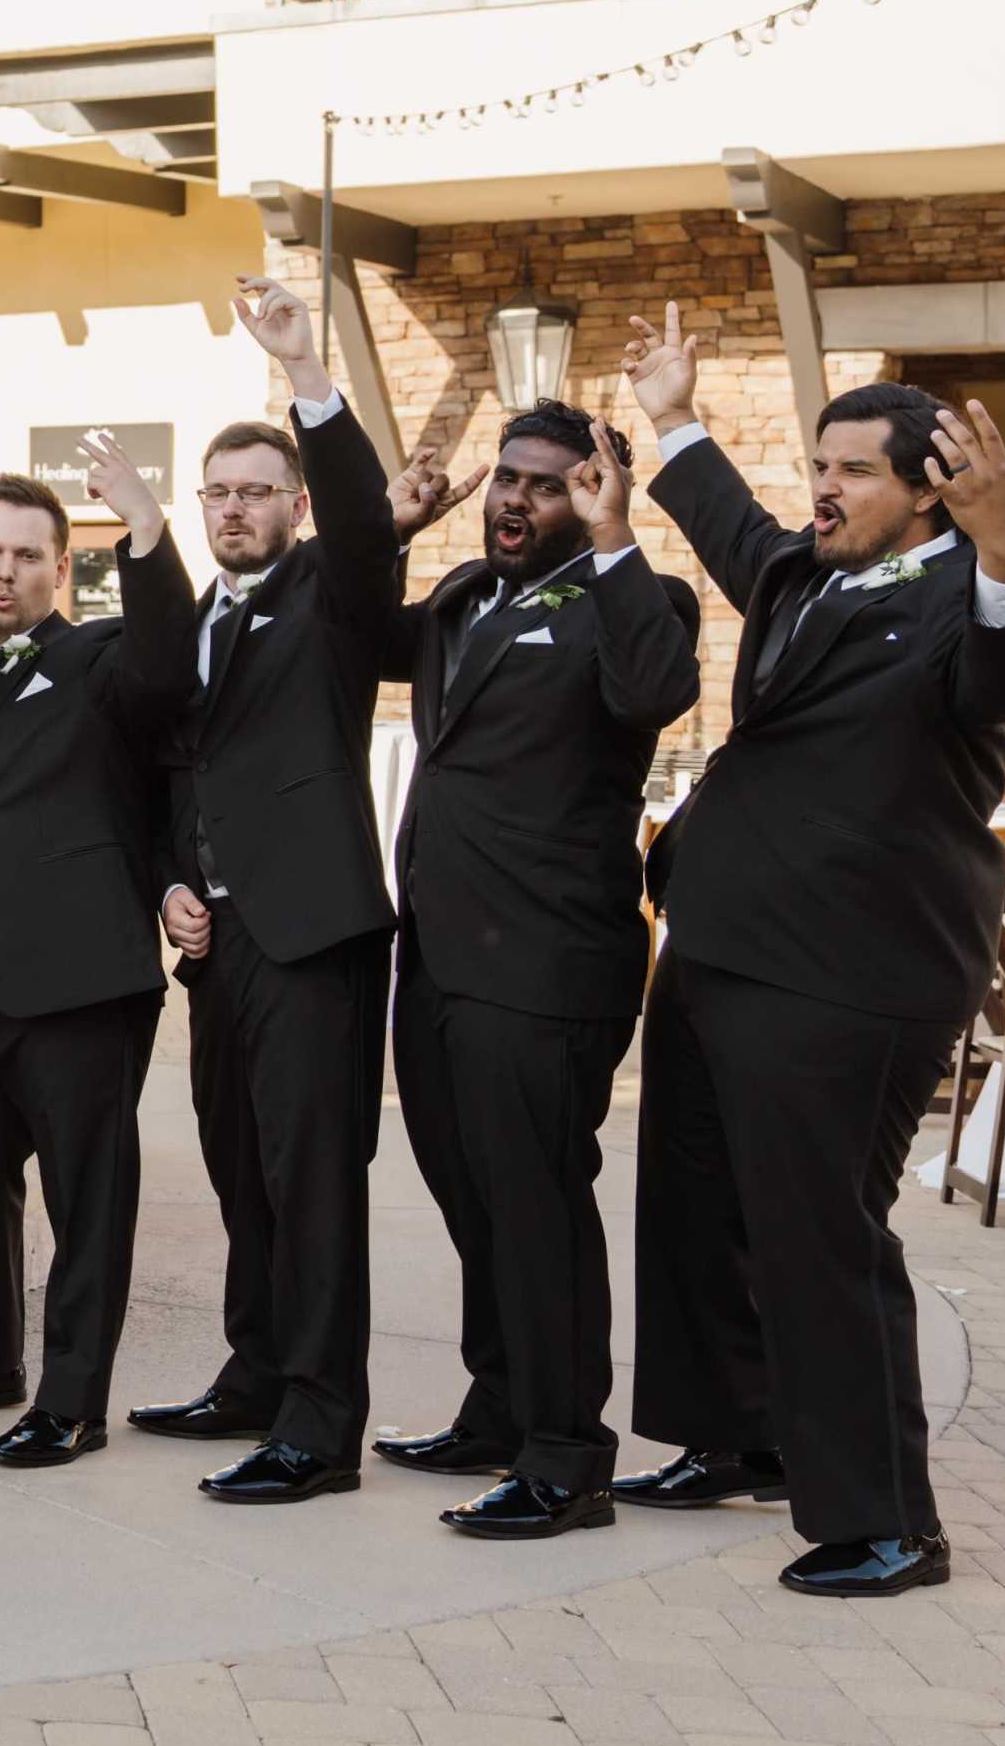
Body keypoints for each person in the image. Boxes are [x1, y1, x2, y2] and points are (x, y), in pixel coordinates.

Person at [620, 311, 1005, 1597]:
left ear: (928, 492)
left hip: (849, 972)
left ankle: (888, 1521)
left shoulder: (968, 599)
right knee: (698, 1213)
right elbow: (736, 533)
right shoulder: (810, 576)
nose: (822, 487)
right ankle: (736, 1436)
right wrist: (672, 416)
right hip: (717, 946)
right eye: (819, 464)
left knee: (821, 1237)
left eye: (854, 469)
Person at [294, 389, 701, 1539]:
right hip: (435, 957)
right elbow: (346, 625)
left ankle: (569, 1456)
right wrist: (388, 525)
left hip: (547, 964)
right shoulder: (469, 595)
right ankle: (500, 1401)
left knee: (536, 1211)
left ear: (594, 492)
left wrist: (618, 538)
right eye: (509, 478)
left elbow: (657, 691)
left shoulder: (637, 598)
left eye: (548, 483)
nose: (516, 500)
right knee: (471, 1196)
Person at [133, 280, 429, 1507]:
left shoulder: (336, 594)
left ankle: (321, 1423)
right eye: (221, 493)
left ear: (293, 505)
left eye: (259, 490)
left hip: (316, 934)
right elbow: (167, 763)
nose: (236, 509)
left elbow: (369, 532)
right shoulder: (193, 614)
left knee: (313, 1183)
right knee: (240, 1166)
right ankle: (254, 1375)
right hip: (218, 942)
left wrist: (308, 375)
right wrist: (169, 884)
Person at [0, 441, 190, 1467]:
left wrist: (147, 532)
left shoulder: (101, 663)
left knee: (86, 1199)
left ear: (62, 568)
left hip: (79, 984)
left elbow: (168, 656)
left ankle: (72, 1401)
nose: (5, 571)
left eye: (27, 554)